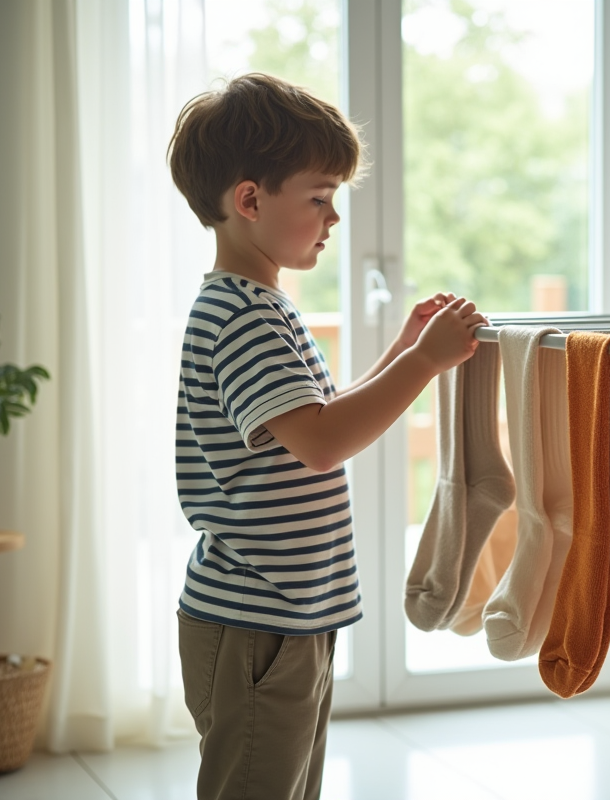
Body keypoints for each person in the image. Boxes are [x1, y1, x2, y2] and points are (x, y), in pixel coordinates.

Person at [166, 72, 486, 800]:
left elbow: (318, 416)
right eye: (319, 198)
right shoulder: (243, 317)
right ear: (250, 200)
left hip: (284, 614)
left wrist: (407, 350)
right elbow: (319, 442)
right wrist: (424, 361)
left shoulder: (260, 307)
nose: (333, 217)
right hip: (257, 619)